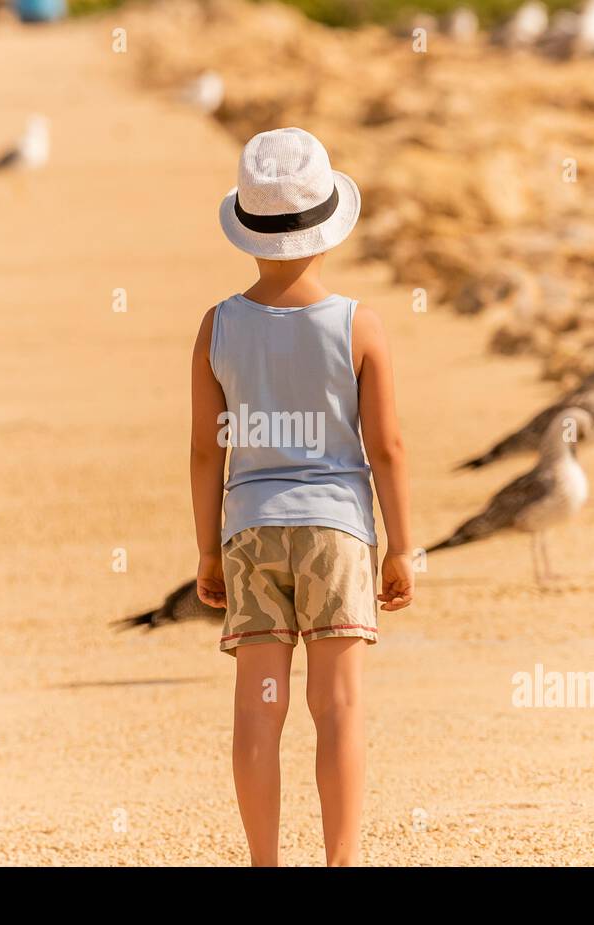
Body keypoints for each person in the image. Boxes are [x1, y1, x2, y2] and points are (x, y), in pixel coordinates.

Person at [189, 127, 414, 866]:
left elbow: (204, 451)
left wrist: (207, 550)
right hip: (339, 530)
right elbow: (386, 448)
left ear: (247, 230)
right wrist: (402, 545)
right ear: (328, 228)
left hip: (250, 529)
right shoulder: (358, 325)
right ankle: (342, 861)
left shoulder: (218, 326)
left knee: (259, 709)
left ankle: (264, 863)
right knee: (338, 708)